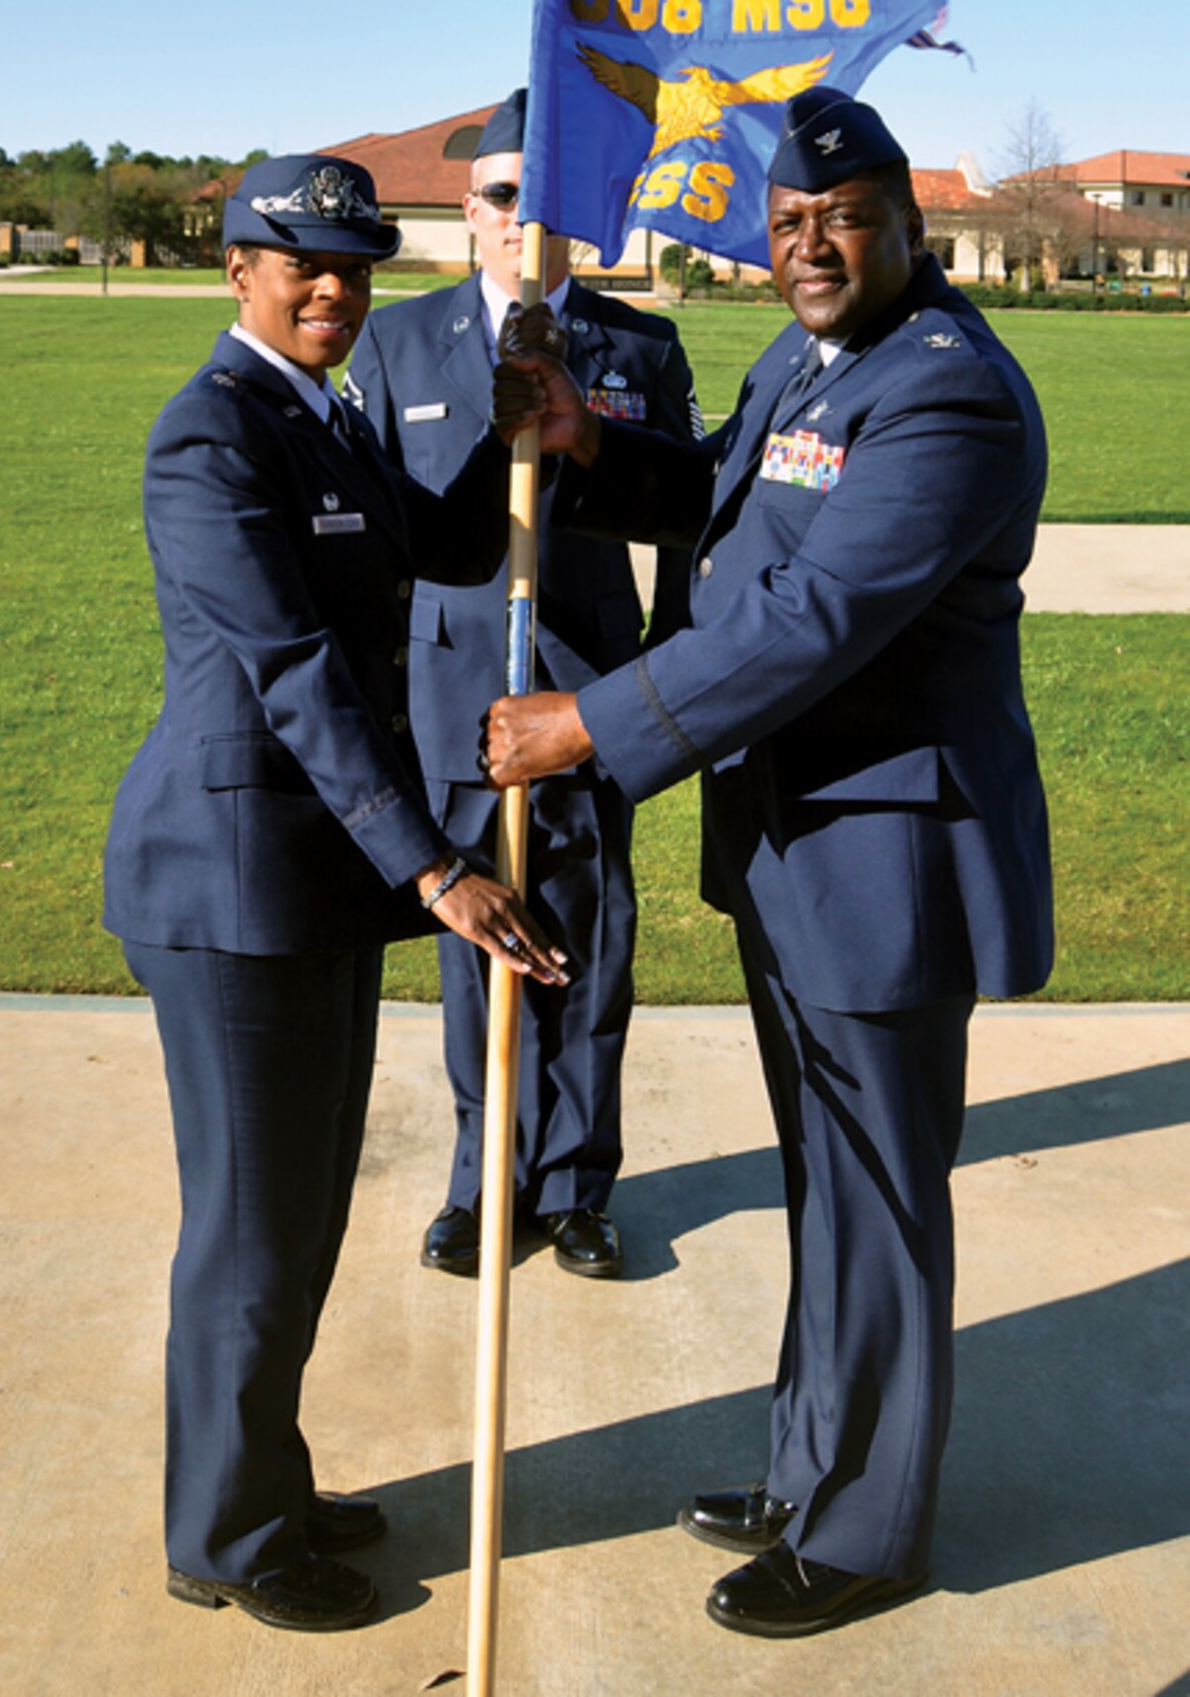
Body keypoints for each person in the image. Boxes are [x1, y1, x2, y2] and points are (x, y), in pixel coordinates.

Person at [483, 88, 1053, 1637]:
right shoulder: (812, 360)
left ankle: (866, 1528)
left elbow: (812, 621)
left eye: (841, 219)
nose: (809, 245)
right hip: (797, 846)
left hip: (886, 861)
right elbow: (726, 494)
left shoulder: (945, 398)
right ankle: (815, 1466)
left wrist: (584, 729)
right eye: (789, 223)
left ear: (908, 229)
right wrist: (587, 437)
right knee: (827, 1182)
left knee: (875, 1195)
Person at [102, 154, 567, 1633]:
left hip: (313, 882)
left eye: (356, 269)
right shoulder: (211, 439)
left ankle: (269, 1480)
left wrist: (521, 429)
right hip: (230, 885)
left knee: (298, 1221)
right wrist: (431, 862)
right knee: (249, 1229)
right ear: (235, 266)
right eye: (300, 263)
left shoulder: (331, 416)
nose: (333, 292)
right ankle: (226, 1539)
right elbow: (292, 667)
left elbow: (436, 545)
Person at [344, 89, 700, 1280]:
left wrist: (674, 682)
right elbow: (381, 544)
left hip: (594, 686)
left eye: (545, 199)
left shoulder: (637, 347)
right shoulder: (399, 343)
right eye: (503, 195)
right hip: (456, 692)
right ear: (468, 209)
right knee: (474, 947)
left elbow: (684, 518)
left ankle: (579, 1184)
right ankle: (481, 1184)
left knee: (591, 951)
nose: (522, 220)